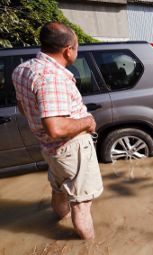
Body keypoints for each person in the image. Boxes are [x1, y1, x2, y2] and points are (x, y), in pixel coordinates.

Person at [12, 22, 103, 239]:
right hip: (72, 147)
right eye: (77, 47)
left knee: (60, 190)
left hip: (50, 149)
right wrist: (88, 122)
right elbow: (56, 127)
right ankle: (88, 245)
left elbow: (23, 107)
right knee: (81, 205)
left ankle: (58, 222)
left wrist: (38, 126)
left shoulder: (22, 70)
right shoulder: (52, 78)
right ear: (68, 50)